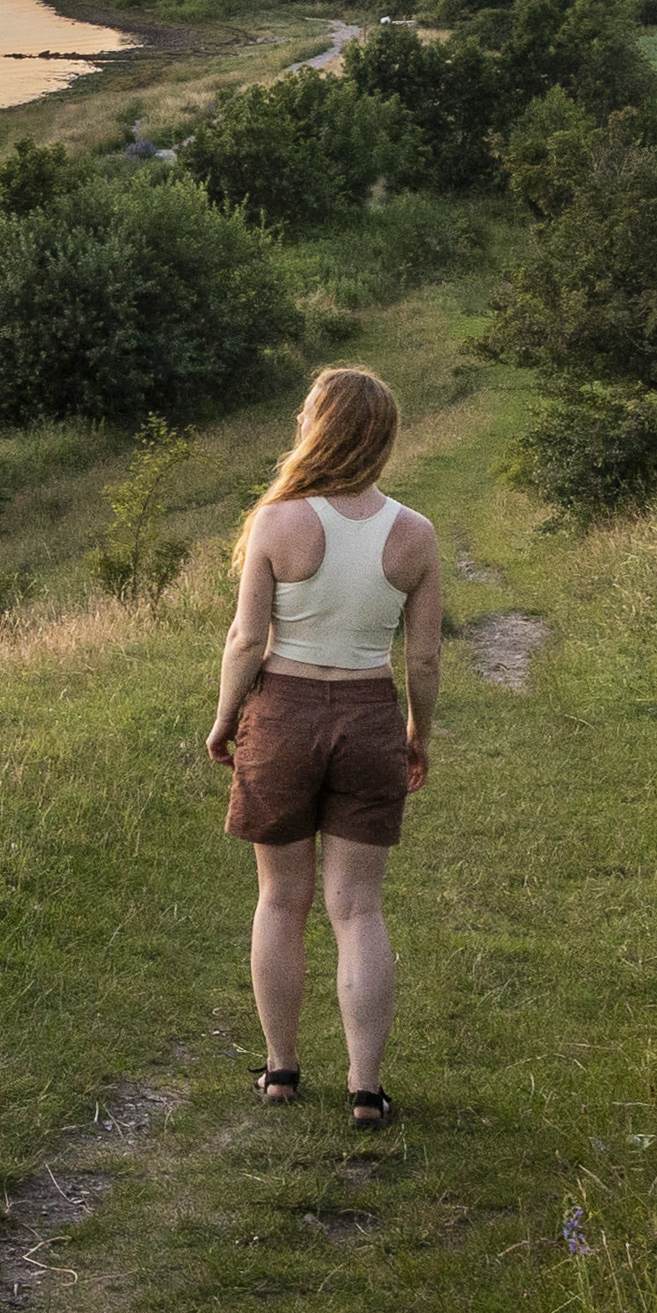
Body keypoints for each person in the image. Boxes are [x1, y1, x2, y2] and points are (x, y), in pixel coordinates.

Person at [201, 365, 442, 1131]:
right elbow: (426, 659)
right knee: (357, 907)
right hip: (371, 714)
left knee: (281, 898)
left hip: (285, 714)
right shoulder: (415, 535)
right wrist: (418, 734)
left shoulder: (278, 521)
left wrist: (223, 719)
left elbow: (246, 639)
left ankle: (280, 1072)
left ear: (320, 425)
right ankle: (366, 1089)